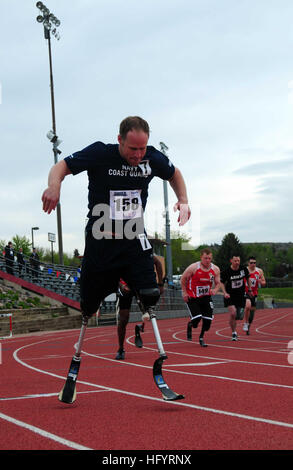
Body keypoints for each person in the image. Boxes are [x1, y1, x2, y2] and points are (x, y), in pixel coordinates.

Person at [42, 116, 190, 334]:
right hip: (101, 236)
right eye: (133, 148)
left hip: (133, 236)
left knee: (151, 293)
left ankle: (142, 305)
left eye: (142, 148)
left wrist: (183, 200)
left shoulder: (151, 158)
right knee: (89, 304)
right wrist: (54, 187)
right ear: (120, 139)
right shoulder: (100, 153)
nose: (138, 155)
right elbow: (60, 167)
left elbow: (174, 173)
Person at [115, 254, 164, 360]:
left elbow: (158, 263)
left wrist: (160, 283)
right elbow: (112, 272)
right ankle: (121, 348)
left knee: (147, 313)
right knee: (123, 318)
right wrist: (121, 285)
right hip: (125, 286)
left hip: (140, 284)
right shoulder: (119, 252)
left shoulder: (142, 250)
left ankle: (140, 327)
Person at [180, 248, 221, 347]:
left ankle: (201, 337)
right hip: (193, 296)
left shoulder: (215, 269)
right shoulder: (193, 267)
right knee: (197, 319)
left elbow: (218, 283)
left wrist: (215, 290)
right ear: (201, 257)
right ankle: (190, 324)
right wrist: (184, 293)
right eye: (205, 258)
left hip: (206, 297)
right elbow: (183, 279)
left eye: (209, 258)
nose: (207, 261)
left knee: (207, 322)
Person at [220, 254, 252, 341]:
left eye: (238, 261)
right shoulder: (226, 272)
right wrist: (224, 292)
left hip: (241, 295)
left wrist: (249, 289)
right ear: (231, 261)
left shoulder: (243, 269)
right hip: (230, 296)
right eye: (235, 261)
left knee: (239, 316)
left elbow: (248, 278)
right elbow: (221, 283)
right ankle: (234, 333)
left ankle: (234, 320)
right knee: (233, 313)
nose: (237, 263)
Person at [242, 256, 266, 335]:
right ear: (248, 263)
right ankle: (245, 323)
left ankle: (248, 325)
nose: (253, 264)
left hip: (254, 294)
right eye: (251, 263)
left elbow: (264, 282)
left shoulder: (259, 271)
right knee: (248, 306)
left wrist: (260, 281)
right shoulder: (244, 270)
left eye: (254, 263)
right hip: (245, 292)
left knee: (251, 315)